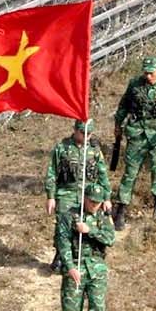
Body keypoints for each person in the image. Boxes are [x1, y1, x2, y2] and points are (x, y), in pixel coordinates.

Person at [113, 55, 156, 220]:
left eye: (151, 73)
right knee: (131, 171)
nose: (148, 76)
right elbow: (123, 106)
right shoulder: (134, 85)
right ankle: (122, 207)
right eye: (146, 72)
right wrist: (117, 125)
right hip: (136, 133)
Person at [55, 180, 116, 311]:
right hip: (76, 265)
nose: (94, 205)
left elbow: (110, 238)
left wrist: (90, 231)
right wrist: (70, 267)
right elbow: (63, 242)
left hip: (96, 267)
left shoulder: (102, 217)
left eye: (97, 202)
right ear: (84, 198)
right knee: (71, 310)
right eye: (91, 201)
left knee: (97, 308)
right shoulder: (69, 216)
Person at [42, 118, 107, 276]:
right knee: (63, 224)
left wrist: (107, 197)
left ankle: (83, 255)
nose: (86, 136)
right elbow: (52, 173)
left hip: (88, 194)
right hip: (67, 192)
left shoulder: (94, 150)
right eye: (83, 133)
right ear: (75, 130)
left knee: (85, 223)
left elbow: (102, 174)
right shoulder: (62, 148)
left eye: (89, 133)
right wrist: (50, 196)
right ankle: (60, 254)